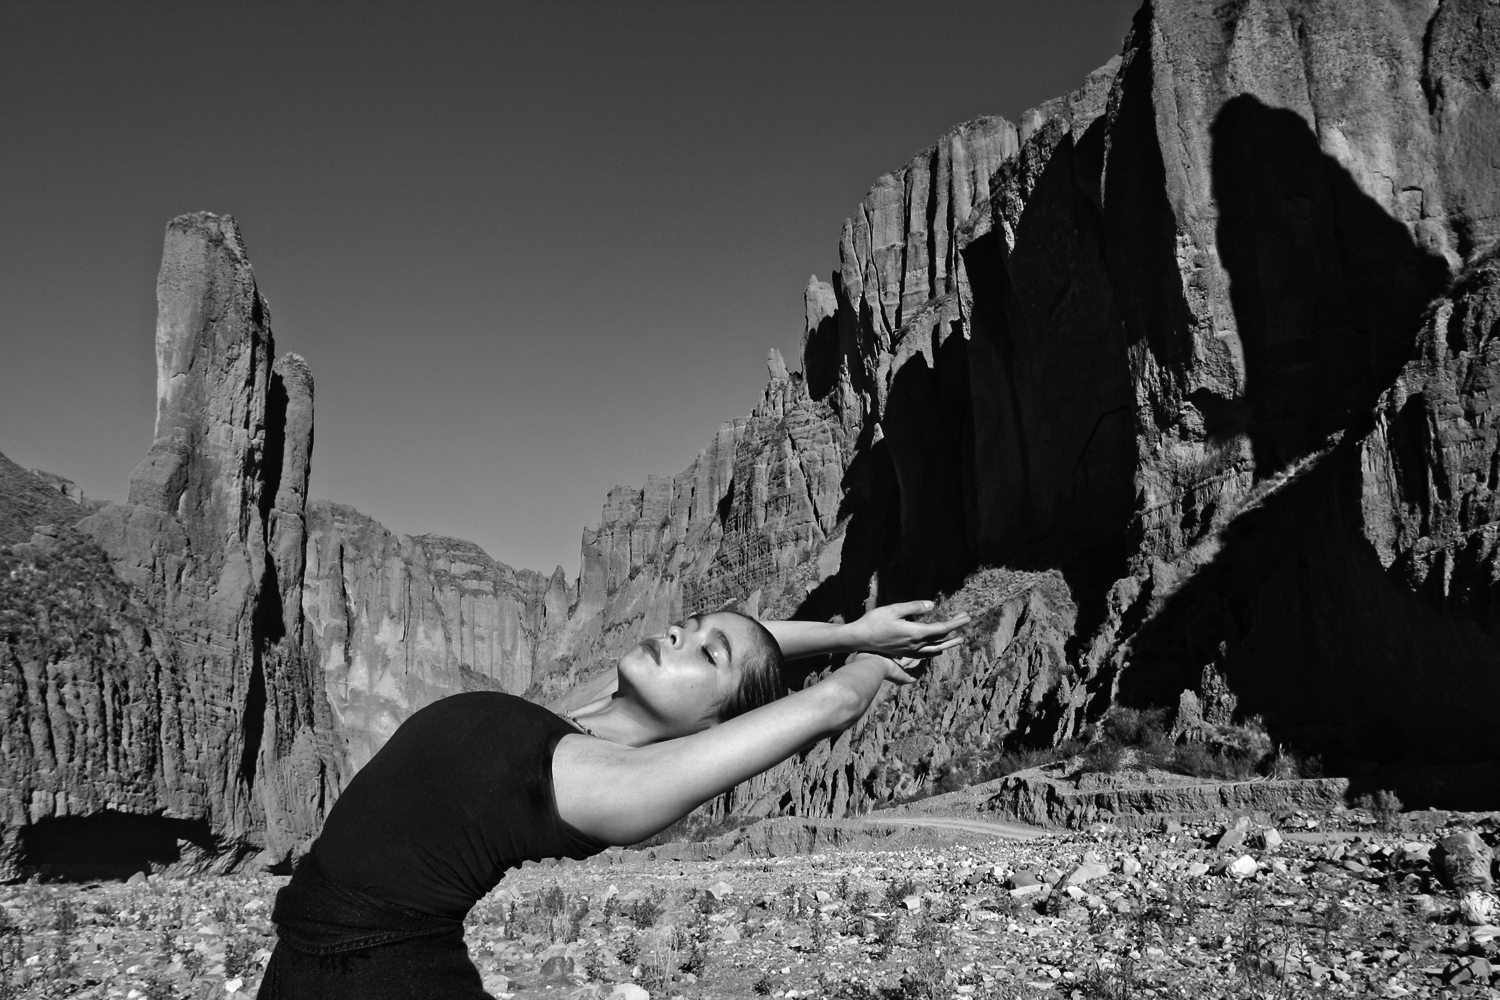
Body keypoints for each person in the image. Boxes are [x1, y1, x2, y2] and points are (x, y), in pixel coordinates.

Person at [259, 600, 969, 999]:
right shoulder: (591, 714)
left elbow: (833, 704)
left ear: (713, 727)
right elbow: (750, 647)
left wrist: (871, 665)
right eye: (687, 626)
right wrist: (850, 630)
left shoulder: (617, 787)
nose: (677, 636)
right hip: (327, 969)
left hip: (367, 984)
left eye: (703, 653)